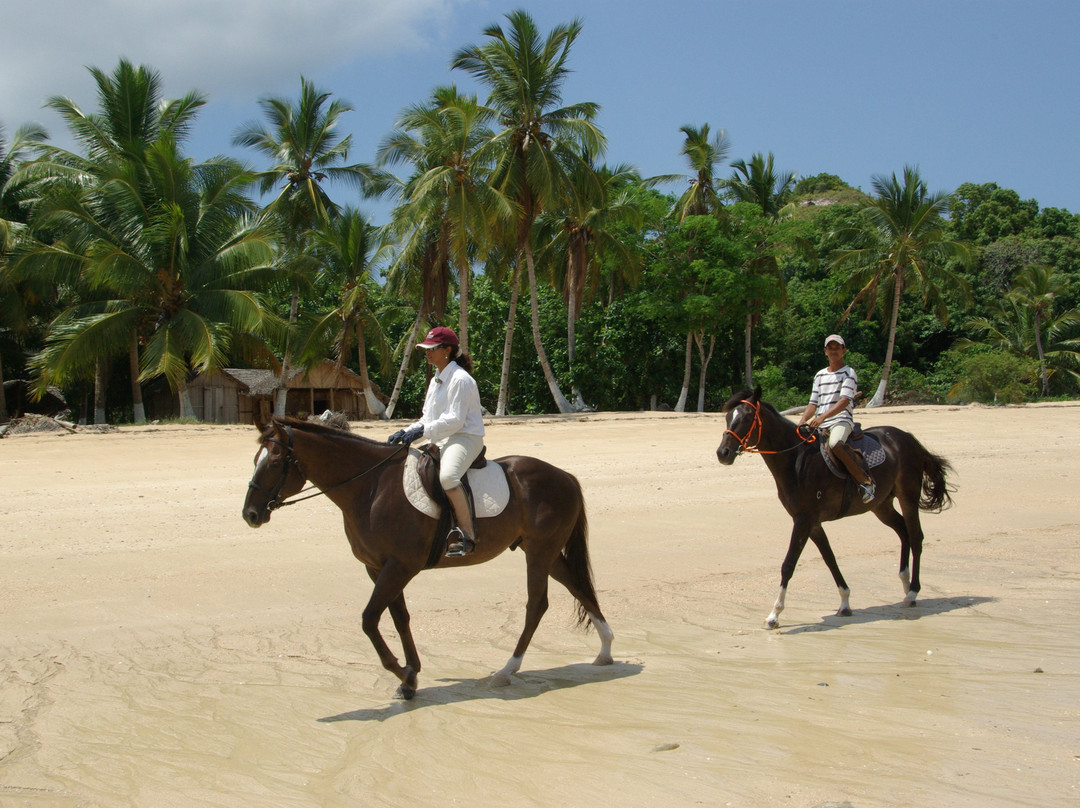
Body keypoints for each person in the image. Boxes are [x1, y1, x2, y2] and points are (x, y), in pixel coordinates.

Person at [387, 326, 485, 557]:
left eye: (432, 349)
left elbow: (455, 420)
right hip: (442, 438)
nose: (427, 353)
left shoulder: (460, 379)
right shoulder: (436, 380)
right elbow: (427, 419)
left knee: (448, 476)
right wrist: (405, 431)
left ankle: (467, 534)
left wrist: (422, 430)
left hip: (465, 437)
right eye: (426, 349)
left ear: (447, 350)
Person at [797, 334, 876, 504]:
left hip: (841, 420)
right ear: (825, 351)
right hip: (820, 422)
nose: (833, 351)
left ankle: (865, 482)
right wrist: (803, 419)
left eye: (837, 348)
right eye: (830, 348)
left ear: (843, 350)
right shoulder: (819, 375)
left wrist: (822, 417)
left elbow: (844, 401)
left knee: (836, 444)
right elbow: (813, 403)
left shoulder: (849, 372)